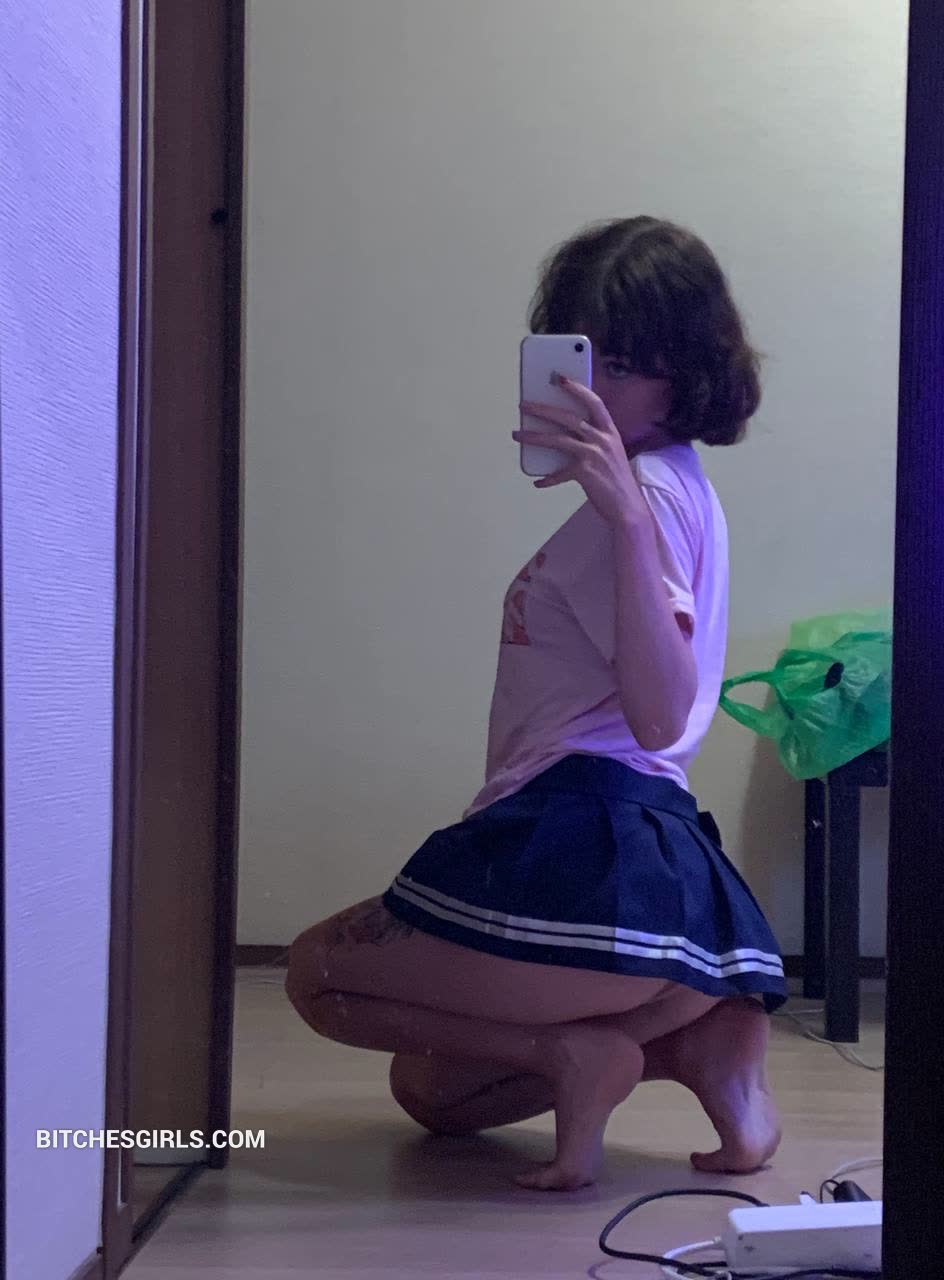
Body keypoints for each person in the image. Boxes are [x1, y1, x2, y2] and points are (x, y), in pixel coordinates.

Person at [285, 215, 788, 1192]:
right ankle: (696, 1043)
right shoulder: (676, 483)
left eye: (624, 366)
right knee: (436, 1092)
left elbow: (661, 713)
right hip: (652, 864)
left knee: (317, 974)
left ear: (686, 371)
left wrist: (625, 520)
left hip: (586, 839)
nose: (593, 390)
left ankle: (580, 1052)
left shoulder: (643, 497)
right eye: (581, 358)